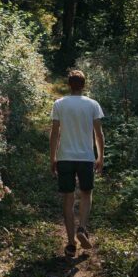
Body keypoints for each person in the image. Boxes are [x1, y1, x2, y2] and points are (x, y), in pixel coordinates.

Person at [49, 68, 105, 258]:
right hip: (86, 158)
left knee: (68, 199)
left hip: (65, 157)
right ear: (84, 85)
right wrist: (100, 157)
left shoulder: (59, 104)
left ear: (68, 85)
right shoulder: (92, 105)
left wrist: (52, 157)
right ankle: (82, 227)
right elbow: (99, 134)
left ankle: (71, 243)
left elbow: (55, 133)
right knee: (86, 193)